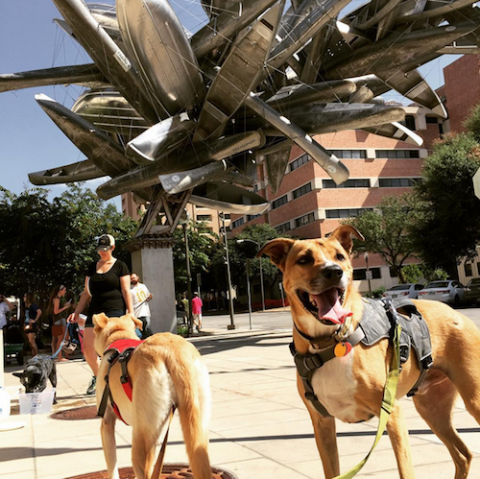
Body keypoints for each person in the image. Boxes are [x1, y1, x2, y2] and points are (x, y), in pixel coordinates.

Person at [68, 234, 133, 395]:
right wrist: (76, 312)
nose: (102, 252)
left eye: (105, 249)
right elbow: (86, 293)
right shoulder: (92, 267)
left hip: (114, 310)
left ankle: (119, 379)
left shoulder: (120, 266)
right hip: (95, 311)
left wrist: (130, 311)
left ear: (112, 248)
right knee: (88, 350)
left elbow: (126, 290)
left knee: (112, 349)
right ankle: (100, 377)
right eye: (99, 249)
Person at [47, 285, 72, 362]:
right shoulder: (56, 299)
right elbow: (56, 311)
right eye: (64, 290)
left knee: (65, 338)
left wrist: (65, 306)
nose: (65, 292)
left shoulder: (60, 299)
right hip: (59, 321)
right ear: (59, 291)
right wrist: (65, 307)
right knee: (60, 339)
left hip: (61, 320)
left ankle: (65, 355)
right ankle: (60, 357)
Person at [130, 273, 153, 339]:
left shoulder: (143, 286)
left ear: (138, 278)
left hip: (145, 313)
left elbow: (147, 297)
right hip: (136, 314)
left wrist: (150, 297)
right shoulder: (130, 290)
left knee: (147, 329)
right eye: (131, 278)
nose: (133, 279)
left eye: (134, 277)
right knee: (140, 334)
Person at [24, 292, 42, 357]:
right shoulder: (27, 307)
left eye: (25, 296)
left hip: (31, 325)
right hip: (27, 325)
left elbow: (39, 311)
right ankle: (33, 355)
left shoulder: (33, 306)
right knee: (30, 342)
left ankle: (37, 356)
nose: (24, 298)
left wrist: (35, 320)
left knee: (32, 341)